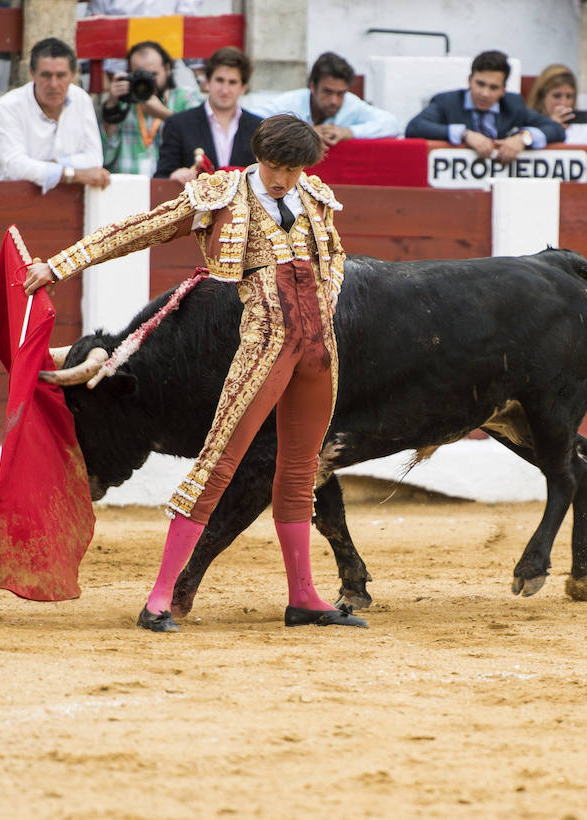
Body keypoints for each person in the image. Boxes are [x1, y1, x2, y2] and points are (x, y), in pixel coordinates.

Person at [23, 114, 367, 633]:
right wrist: (59, 265)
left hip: (319, 353)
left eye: (293, 169)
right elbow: (140, 229)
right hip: (262, 346)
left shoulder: (315, 196)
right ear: (258, 157)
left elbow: (336, 256)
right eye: (275, 166)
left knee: (299, 471)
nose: (282, 179)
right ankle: (159, 599)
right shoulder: (221, 194)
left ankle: (304, 597)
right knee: (217, 464)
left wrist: (326, 297)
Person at [0, 36, 110, 192]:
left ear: (73, 75)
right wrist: (71, 174)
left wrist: (51, 165)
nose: (53, 84)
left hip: (67, 204)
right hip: (12, 202)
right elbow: (16, 167)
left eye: (61, 75)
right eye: (46, 75)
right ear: (32, 74)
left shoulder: (81, 99)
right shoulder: (7, 107)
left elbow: (94, 159)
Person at [404, 49, 565, 164]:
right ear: (469, 80)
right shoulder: (447, 102)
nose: (485, 93)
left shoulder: (513, 104)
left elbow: (555, 129)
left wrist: (523, 138)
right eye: (480, 84)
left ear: (503, 90)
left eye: (493, 87)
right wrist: (464, 134)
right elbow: (415, 127)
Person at [249, 51, 401, 149]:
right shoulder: (290, 103)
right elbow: (249, 121)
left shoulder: (351, 104)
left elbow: (392, 124)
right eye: (327, 92)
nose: (334, 100)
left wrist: (348, 132)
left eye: (340, 93)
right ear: (313, 86)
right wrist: (302, 134)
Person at [155, 46, 261, 182]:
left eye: (232, 82)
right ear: (207, 82)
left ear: (243, 88)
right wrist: (174, 176)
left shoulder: (259, 128)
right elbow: (160, 178)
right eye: (220, 80)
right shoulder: (178, 124)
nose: (225, 90)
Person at [100, 39, 202, 177]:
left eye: (153, 74)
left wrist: (165, 115)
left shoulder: (186, 98)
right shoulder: (123, 103)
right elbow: (104, 157)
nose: (147, 82)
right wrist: (112, 105)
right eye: (140, 74)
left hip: (173, 191)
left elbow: (202, 139)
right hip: (128, 190)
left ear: (167, 69)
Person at [527, 64, 587, 145]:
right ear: (542, 97)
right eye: (557, 96)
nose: (563, 103)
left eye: (569, 96)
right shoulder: (530, 131)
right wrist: (550, 126)